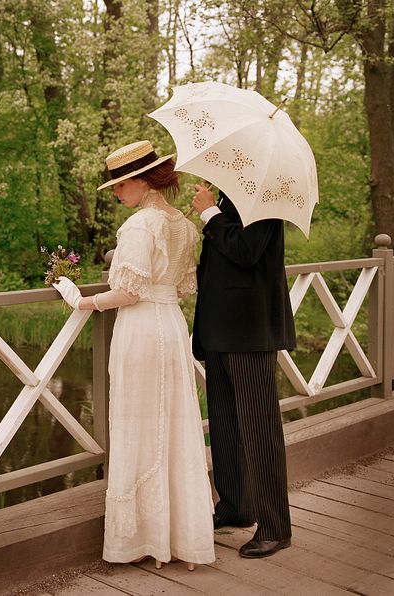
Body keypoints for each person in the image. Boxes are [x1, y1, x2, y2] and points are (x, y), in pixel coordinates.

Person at [53, 140, 215, 570]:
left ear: (142, 181)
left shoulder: (140, 226)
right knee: (173, 425)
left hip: (142, 331)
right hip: (172, 326)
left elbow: (128, 291)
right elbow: (181, 287)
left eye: (120, 186)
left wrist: (80, 300)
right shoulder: (182, 224)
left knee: (140, 422)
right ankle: (179, 534)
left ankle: (144, 537)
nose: (118, 194)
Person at [189, 183, 296, 558]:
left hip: (250, 331)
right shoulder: (228, 195)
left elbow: (247, 252)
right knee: (225, 424)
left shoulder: (268, 196)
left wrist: (209, 215)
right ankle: (236, 506)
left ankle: (275, 526)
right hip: (219, 329)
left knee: (259, 428)